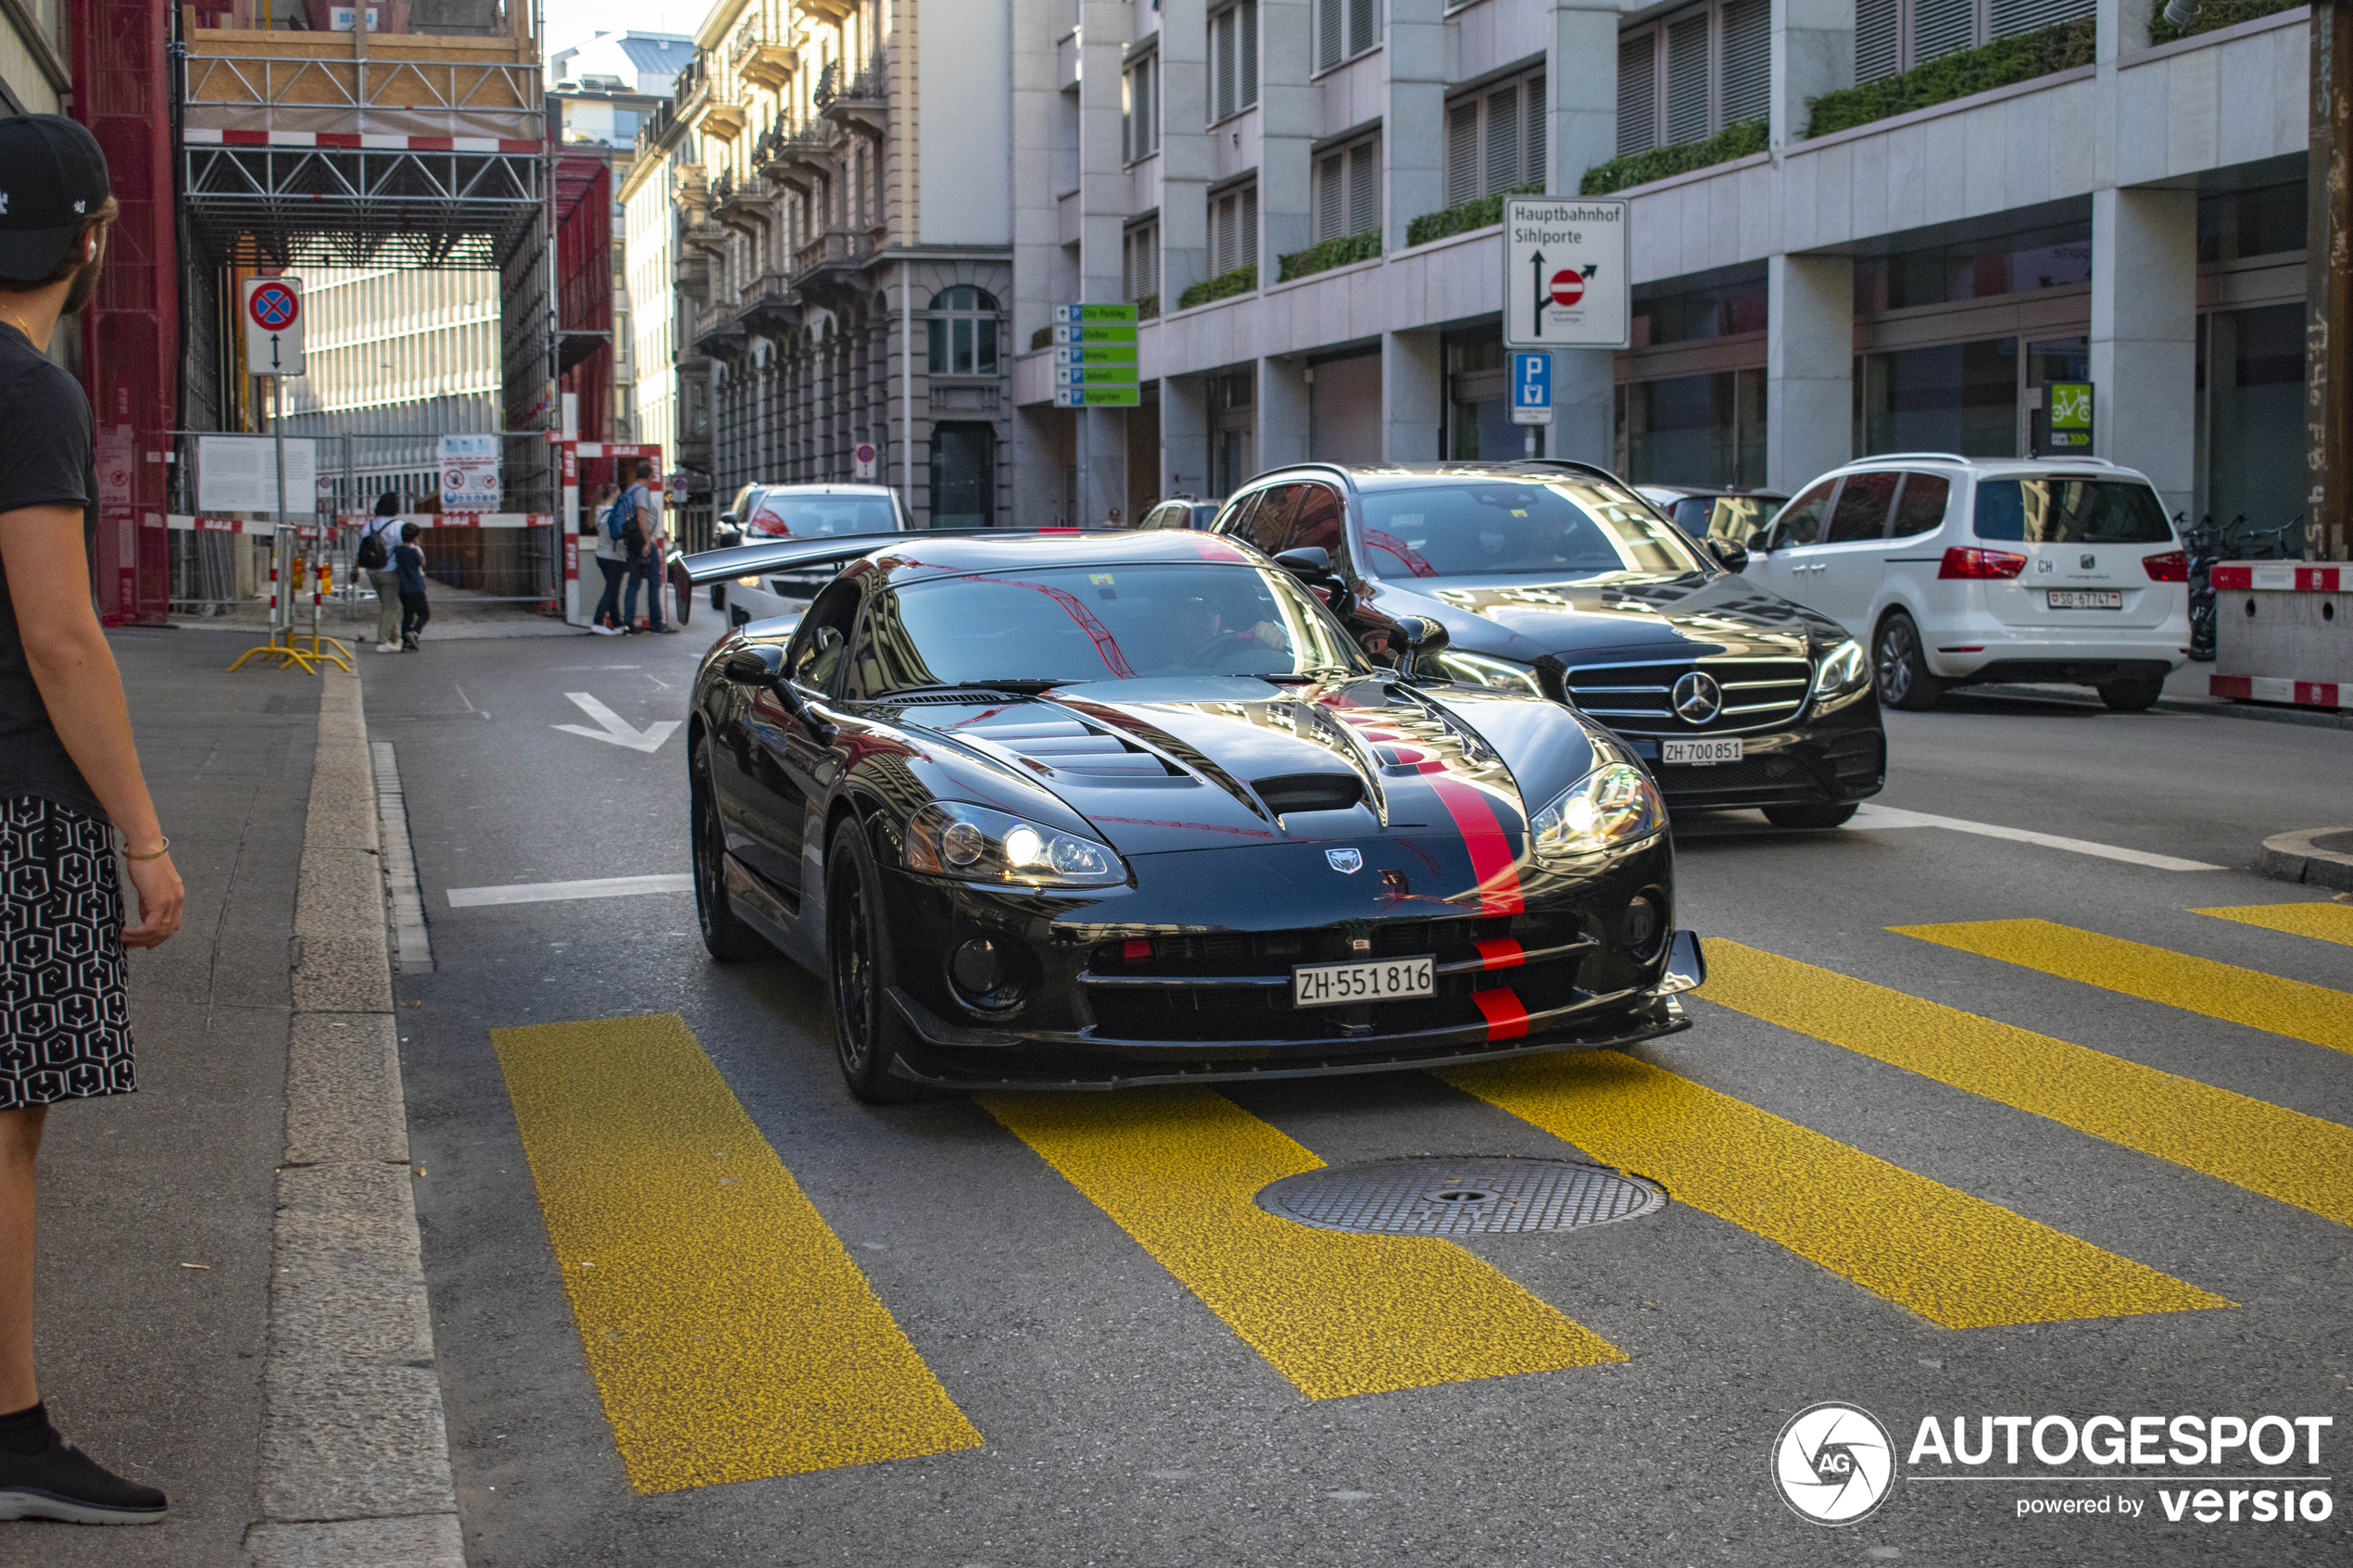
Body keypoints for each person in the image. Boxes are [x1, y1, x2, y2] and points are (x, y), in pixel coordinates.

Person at [0, 112, 183, 1526]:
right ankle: (10, 1433)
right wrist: (140, 829)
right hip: (16, 808)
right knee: (6, 1126)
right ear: (94, 237)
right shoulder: (29, 393)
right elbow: (61, 638)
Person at [619, 460, 675, 633]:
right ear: (648, 476)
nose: (653, 480)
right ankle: (657, 624)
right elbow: (642, 517)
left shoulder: (630, 490)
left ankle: (629, 624)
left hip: (632, 542)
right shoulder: (642, 491)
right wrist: (646, 542)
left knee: (633, 584)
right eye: (652, 476)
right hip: (642, 543)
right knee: (654, 583)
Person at [359, 494, 404, 653]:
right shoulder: (397, 525)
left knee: (389, 606)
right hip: (390, 571)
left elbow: (362, 547)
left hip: (372, 572)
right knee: (392, 607)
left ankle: (396, 640)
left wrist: (355, 568)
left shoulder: (370, 525)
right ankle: (383, 640)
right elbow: (403, 546)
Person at [586, 481, 627, 635]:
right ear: (613, 494)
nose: (620, 495)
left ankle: (617, 624)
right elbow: (617, 536)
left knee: (613, 589)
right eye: (619, 493)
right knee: (611, 590)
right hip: (614, 557)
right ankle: (598, 622)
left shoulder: (599, 511)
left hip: (602, 556)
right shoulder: (614, 513)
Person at [394, 522, 429, 650]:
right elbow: (422, 563)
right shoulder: (414, 552)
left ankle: (406, 642)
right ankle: (414, 633)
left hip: (403, 588)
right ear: (415, 538)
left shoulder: (397, 551)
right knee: (424, 613)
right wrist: (418, 549)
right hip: (416, 586)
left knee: (408, 614)